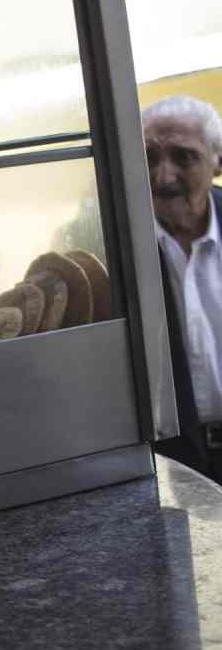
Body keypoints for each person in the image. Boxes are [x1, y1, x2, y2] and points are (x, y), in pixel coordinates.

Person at [143, 95, 222, 482]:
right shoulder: (108, 246)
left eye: (184, 157)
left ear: (217, 161)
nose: (163, 177)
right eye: (149, 158)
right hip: (166, 468)